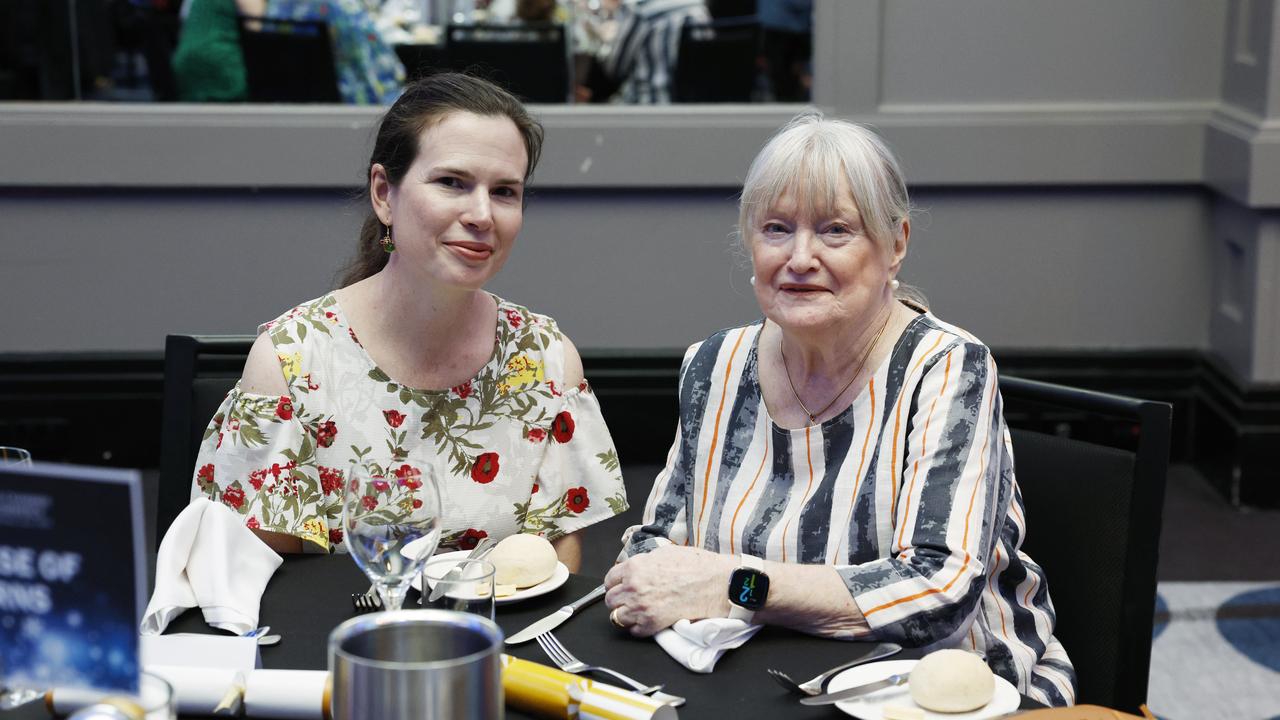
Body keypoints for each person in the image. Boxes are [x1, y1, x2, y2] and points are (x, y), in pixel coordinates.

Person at [604, 114, 1076, 705]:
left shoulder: (947, 368)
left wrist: (733, 586)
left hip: (947, 689)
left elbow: (936, 593)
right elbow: (652, 549)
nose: (800, 257)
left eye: (834, 231)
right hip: (765, 676)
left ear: (896, 244)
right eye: (777, 229)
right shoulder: (714, 365)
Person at [190, 73, 628, 569]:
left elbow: (551, 576)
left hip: (496, 642)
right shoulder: (291, 362)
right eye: (451, 183)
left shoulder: (546, 361)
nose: (482, 214)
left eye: (505, 191)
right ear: (384, 194)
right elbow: (270, 590)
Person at [599, 0, 708, 103]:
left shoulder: (639, 8)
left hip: (647, 105)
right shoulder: (698, 8)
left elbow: (615, 69)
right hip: (695, 107)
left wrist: (607, 38)